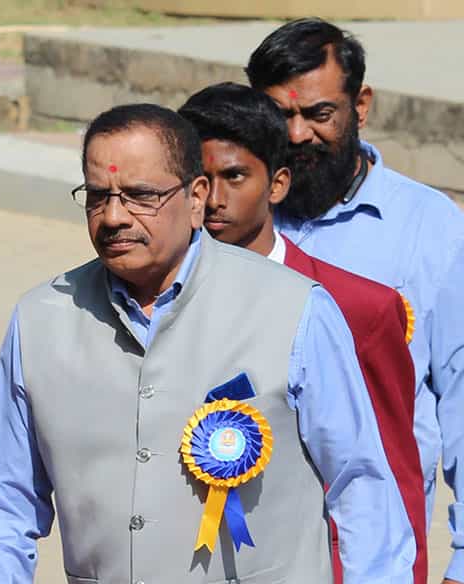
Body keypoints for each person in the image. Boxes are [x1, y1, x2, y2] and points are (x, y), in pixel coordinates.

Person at [0, 103, 414, 583]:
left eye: (140, 196)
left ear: (197, 199)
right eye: (97, 196)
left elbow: (363, 490)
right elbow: (3, 507)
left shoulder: (296, 309)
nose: (113, 217)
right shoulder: (41, 319)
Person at [180, 81, 428, 583]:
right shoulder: (144, 303)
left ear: (277, 184)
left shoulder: (360, 308)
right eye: (198, 182)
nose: (214, 200)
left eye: (234, 177)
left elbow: (386, 483)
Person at [247, 19, 464, 582]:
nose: (296, 135)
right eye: (279, 115)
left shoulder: (428, 226)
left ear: (360, 105)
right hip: (248, 544)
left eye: (319, 114)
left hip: (378, 554)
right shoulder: (235, 222)